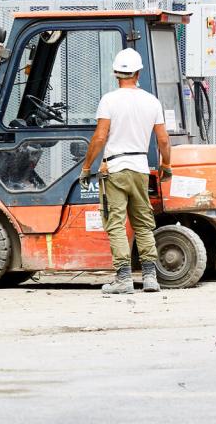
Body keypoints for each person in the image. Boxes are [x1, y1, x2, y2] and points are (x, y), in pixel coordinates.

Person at [81, 48, 172, 294]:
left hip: (115, 169)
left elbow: (100, 137)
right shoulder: (152, 101)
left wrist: (87, 166)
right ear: (138, 72)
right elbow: (163, 140)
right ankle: (151, 277)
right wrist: (166, 165)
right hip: (141, 169)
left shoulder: (109, 100)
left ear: (115, 74)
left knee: (116, 224)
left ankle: (123, 279)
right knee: (143, 224)